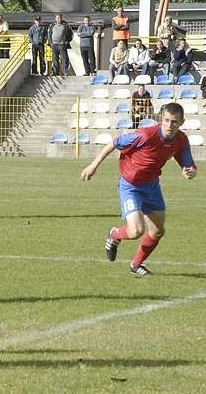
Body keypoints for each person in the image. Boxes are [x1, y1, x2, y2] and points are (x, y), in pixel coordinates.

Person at [80, 102, 197, 276]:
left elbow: (188, 163)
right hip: (131, 186)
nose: (170, 125)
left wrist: (190, 171)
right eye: (166, 120)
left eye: (174, 122)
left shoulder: (181, 139)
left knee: (157, 231)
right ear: (160, 119)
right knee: (136, 231)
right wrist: (93, 166)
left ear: (182, 122)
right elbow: (114, 143)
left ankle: (136, 265)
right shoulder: (145, 135)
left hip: (152, 186)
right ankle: (114, 234)